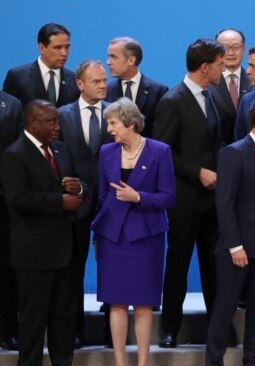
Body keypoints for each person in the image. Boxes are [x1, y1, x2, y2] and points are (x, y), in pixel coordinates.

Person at [90, 97, 175, 366]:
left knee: (143, 302)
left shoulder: (160, 151)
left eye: (113, 123)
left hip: (145, 237)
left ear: (130, 123)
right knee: (115, 302)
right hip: (112, 237)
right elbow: (103, 198)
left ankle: (142, 362)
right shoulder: (107, 152)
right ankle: (119, 362)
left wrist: (138, 197)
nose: (109, 129)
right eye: (108, 124)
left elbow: (168, 197)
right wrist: (98, 234)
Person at [0, 99, 85, 366]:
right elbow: (18, 198)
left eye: (58, 121)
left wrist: (79, 189)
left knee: (64, 319)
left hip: (64, 251)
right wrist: (60, 202)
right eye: (51, 122)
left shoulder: (61, 150)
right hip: (33, 255)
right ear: (33, 123)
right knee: (33, 321)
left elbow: (78, 182)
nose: (58, 127)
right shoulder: (14, 154)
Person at [153, 38, 225, 348]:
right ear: (205, 67)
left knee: (214, 267)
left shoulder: (215, 96)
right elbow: (162, 151)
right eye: (221, 64)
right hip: (185, 200)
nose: (226, 68)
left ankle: (219, 327)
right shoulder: (173, 100)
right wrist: (198, 173)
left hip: (214, 201)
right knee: (178, 265)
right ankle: (169, 328)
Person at [205, 98, 255, 366]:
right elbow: (224, 203)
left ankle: (253, 362)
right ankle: (213, 362)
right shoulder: (234, 152)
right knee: (224, 309)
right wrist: (235, 246)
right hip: (236, 251)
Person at [57, 59, 113, 348]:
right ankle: (74, 330)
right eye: (96, 81)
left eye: (104, 80)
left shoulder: (116, 113)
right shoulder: (61, 115)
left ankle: (110, 333)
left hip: (110, 202)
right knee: (72, 271)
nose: (103, 85)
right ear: (80, 84)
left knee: (113, 269)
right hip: (76, 203)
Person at [3, 23, 79, 108]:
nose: (64, 53)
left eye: (67, 47)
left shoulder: (74, 80)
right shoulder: (17, 77)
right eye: (58, 47)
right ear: (42, 48)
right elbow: (6, 113)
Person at [106, 37, 169, 138]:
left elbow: (161, 133)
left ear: (131, 60)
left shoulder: (158, 91)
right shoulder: (106, 91)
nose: (108, 62)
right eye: (108, 57)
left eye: (113, 57)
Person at [0, 91, 23, 351]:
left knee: (6, 270)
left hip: (4, 202)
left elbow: (18, 155)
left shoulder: (12, 105)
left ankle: (7, 329)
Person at [212, 28, 253, 146]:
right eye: (224, 48)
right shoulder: (207, 83)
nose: (230, 53)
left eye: (236, 47)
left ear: (244, 49)